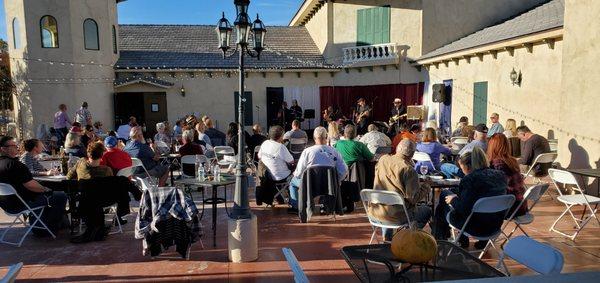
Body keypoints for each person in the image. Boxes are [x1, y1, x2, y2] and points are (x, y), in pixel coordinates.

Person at [432, 147, 507, 249]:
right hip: (494, 225)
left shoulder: (470, 179)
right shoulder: (500, 176)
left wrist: (453, 200)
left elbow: (464, 209)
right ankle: (469, 240)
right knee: (450, 196)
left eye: (462, 168)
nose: (463, 172)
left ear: (468, 167)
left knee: (444, 198)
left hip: (474, 226)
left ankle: (440, 240)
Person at [0, 136, 68, 235]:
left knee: (48, 196)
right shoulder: (15, 165)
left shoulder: (9, 163)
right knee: (60, 196)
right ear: (3, 149)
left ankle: (41, 226)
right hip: (23, 203)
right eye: (13, 146)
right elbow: (30, 185)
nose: (17, 147)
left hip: (7, 205)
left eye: (16, 145)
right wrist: (46, 189)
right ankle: (50, 227)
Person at [370, 139, 432, 240]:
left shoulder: (383, 159)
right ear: (412, 155)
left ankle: (388, 239)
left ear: (397, 149)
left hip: (376, 212)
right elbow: (413, 198)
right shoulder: (408, 169)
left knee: (389, 203)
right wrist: (426, 186)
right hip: (397, 216)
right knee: (427, 210)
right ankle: (407, 238)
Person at [288, 126, 347, 210]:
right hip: (329, 186)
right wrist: (336, 181)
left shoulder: (307, 151)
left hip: (310, 185)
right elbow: (343, 170)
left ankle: (297, 207)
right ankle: (325, 205)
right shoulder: (335, 151)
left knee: (293, 183)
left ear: (314, 138)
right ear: (326, 137)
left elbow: (299, 173)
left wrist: (296, 175)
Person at [487, 133, 527, 216]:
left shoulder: (496, 164)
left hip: (509, 208)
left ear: (492, 146)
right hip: (521, 206)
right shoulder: (512, 161)